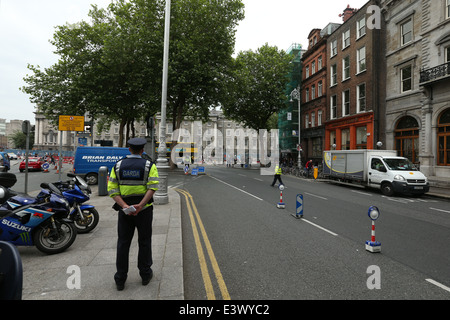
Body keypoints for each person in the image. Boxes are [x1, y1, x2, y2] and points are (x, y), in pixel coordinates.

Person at [107, 137, 159, 291]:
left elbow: (112, 189)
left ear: (129, 149)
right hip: (144, 210)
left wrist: (124, 206)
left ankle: (120, 279)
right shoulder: (149, 165)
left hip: (124, 211)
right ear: (143, 150)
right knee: (144, 241)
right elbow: (153, 187)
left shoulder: (118, 165)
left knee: (123, 243)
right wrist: (141, 205)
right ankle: (145, 274)